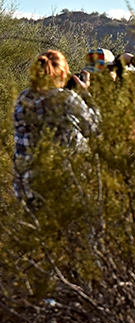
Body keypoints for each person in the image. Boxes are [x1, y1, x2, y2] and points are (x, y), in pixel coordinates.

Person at [11, 50, 100, 207]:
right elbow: (95, 127)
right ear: (62, 74)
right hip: (64, 186)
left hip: (26, 188)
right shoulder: (66, 99)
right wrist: (85, 94)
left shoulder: (23, 98)